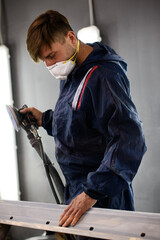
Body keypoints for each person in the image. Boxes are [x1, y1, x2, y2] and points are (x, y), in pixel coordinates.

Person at [21, 10, 147, 231]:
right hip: (79, 192)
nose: (50, 65)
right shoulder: (73, 72)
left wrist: (91, 193)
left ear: (71, 37)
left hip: (103, 198)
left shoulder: (104, 76)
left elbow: (129, 139)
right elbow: (77, 121)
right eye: (44, 60)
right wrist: (46, 119)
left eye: (51, 55)